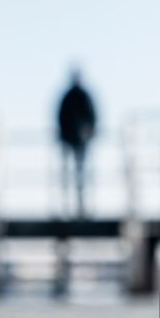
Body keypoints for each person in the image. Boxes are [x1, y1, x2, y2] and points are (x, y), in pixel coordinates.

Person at [57, 68, 97, 217]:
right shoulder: (71, 96)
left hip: (80, 141)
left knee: (80, 176)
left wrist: (88, 133)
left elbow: (92, 118)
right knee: (70, 176)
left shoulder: (81, 96)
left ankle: (80, 208)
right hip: (70, 140)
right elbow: (61, 117)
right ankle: (68, 208)